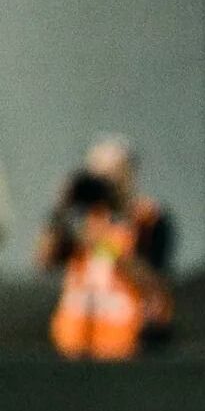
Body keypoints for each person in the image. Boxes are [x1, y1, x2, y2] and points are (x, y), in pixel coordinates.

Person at [35, 133, 175, 360]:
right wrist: (61, 208)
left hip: (126, 346)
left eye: (111, 173)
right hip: (73, 345)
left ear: (128, 173)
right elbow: (44, 260)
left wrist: (104, 246)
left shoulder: (149, 219)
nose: (103, 182)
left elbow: (154, 282)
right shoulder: (83, 218)